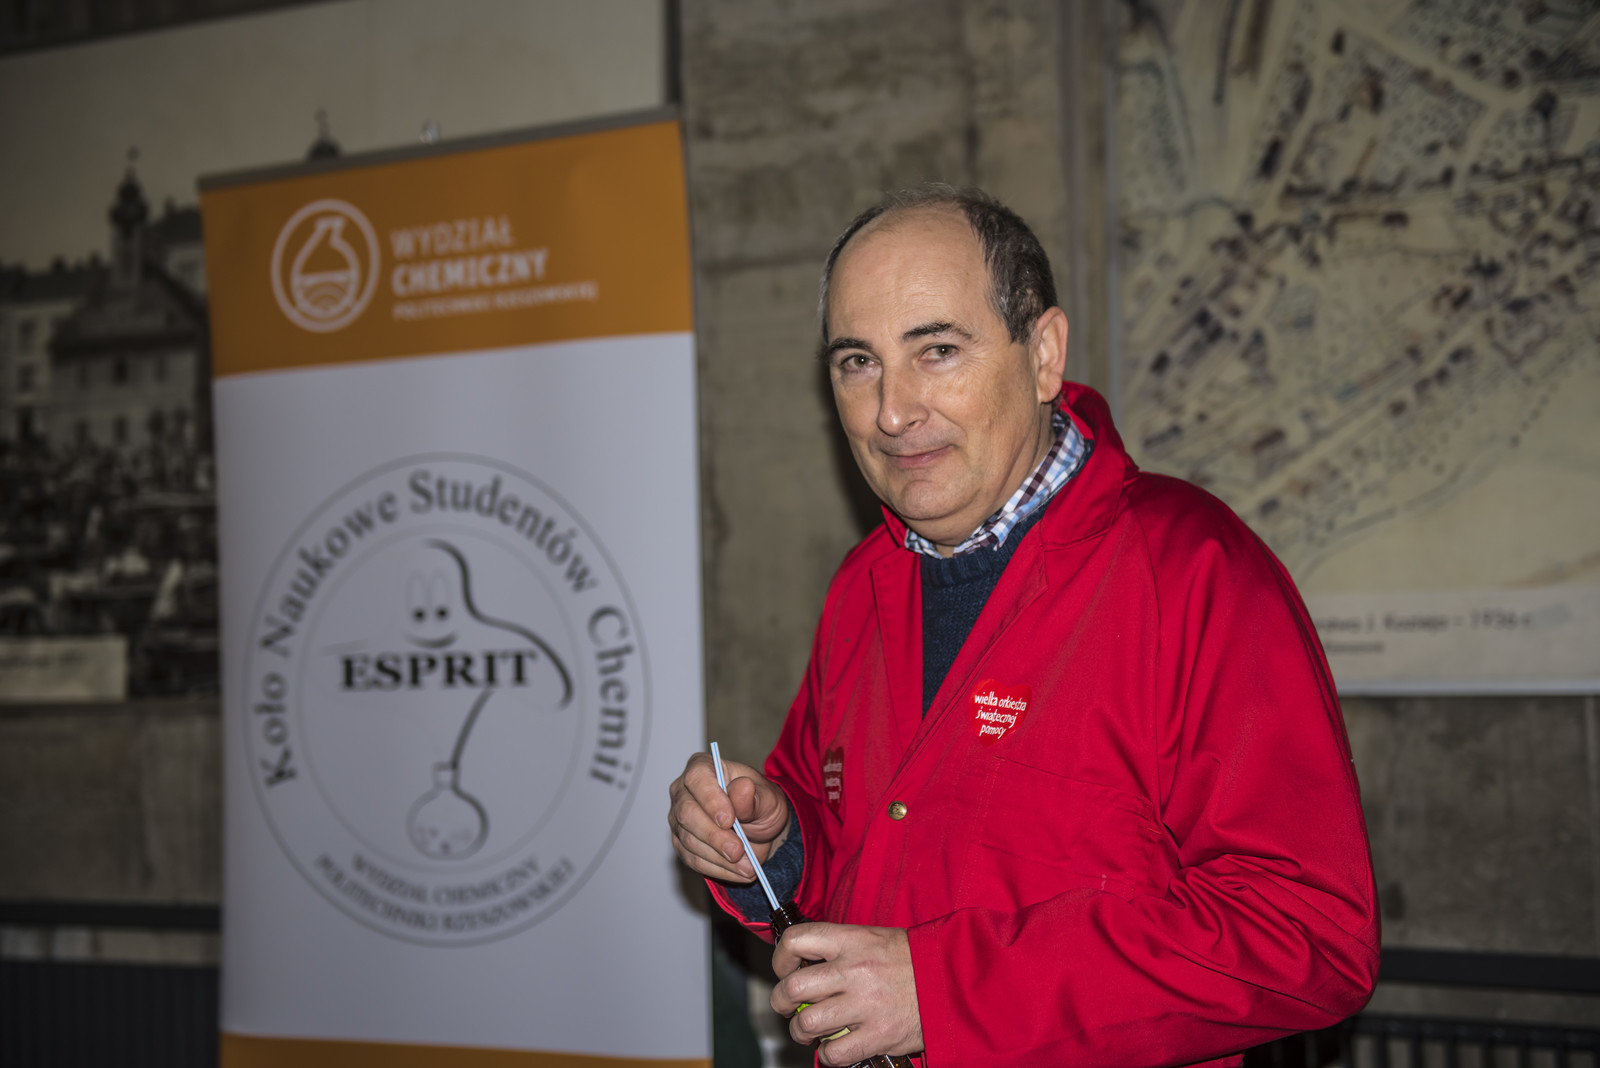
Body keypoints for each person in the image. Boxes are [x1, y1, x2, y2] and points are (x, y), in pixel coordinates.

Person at [668, 186, 1378, 1067]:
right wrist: (776, 845)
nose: (892, 410)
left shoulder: (1194, 571)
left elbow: (1309, 935)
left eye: (937, 350)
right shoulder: (863, 583)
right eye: (858, 362)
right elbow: (858, 849)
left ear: (1043, 356)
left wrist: (945, 993)